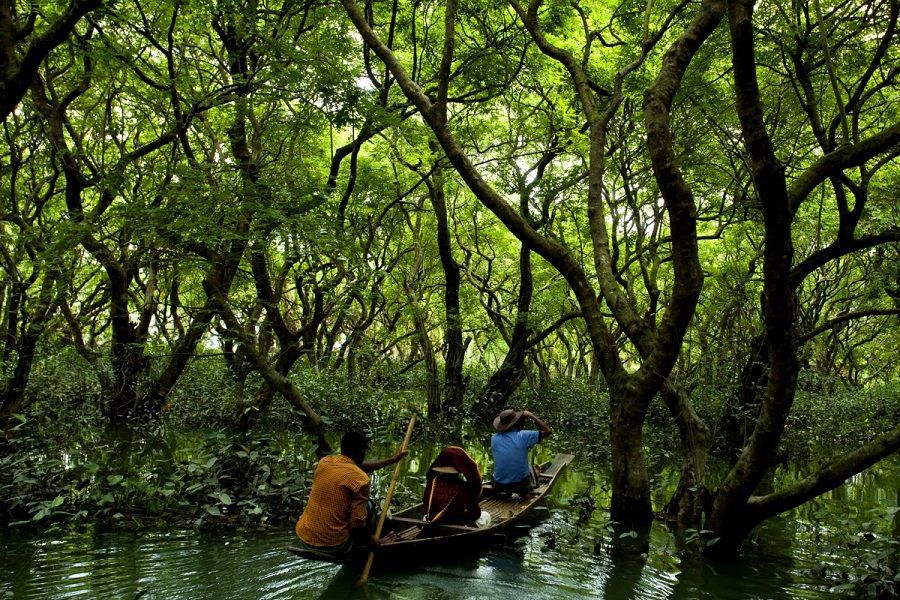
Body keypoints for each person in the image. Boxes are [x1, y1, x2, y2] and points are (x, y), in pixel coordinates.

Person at [294, 431, 407, 557]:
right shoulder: (360, 479)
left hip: (304, 537)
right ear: (361, 452)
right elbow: (358, 524)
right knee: (369, 507)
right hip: (335, 545)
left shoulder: (325, 462)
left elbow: (358, 466)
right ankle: (364, 543)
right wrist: (377, 544)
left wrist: (392, 460)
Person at [490, 409, 552, 493]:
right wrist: (531, 415)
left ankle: (506, 489)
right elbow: (547, 431)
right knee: (531, 467)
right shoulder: (523, 436)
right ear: (516, 423)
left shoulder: (494, 438)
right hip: (520, 485)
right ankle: (525, 489)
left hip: (499, 485)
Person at [422, 446, 482, 526]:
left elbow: (425, 501)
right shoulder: (463, 487)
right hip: (454, 524)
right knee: (485, 516)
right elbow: (474, 513)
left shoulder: (432, 483)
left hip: (433, 520)